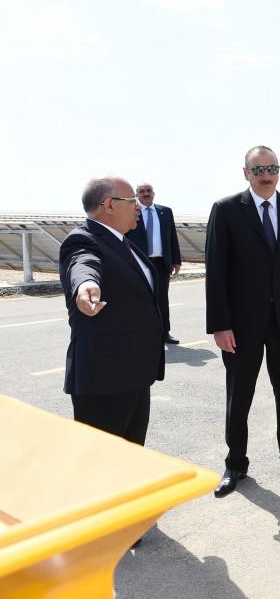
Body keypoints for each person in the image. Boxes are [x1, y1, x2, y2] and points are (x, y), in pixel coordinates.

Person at [206, 145, 280, 497]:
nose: (266, 176)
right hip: (240, 326)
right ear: (246, 173)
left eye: (272, 169)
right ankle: (235, 463)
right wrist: (220, 324)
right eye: (258, 170)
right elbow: (216, 271)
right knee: (239, 396)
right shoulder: (226, 210)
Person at [59, 177, 164, 446]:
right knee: (100, 464)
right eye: (132, 201)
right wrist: (86, 284)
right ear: (109, 205)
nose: (138, 206)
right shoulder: (83, 239)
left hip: (134, 375)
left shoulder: (122, 242)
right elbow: (83, 262)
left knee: (130, 459)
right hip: (104, 382)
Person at [126, 182, 182, 344]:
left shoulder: (165, 212)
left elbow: (172, 236)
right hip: (139, 264)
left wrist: (176, 260)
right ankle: (141, 332)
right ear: (136, 195)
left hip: (161, 264)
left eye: (148, 190)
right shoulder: (130, 212)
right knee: (140, 298)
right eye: (141, 191)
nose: (146, 193)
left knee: (162, 299)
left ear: (153, 193)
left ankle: (165, 333)